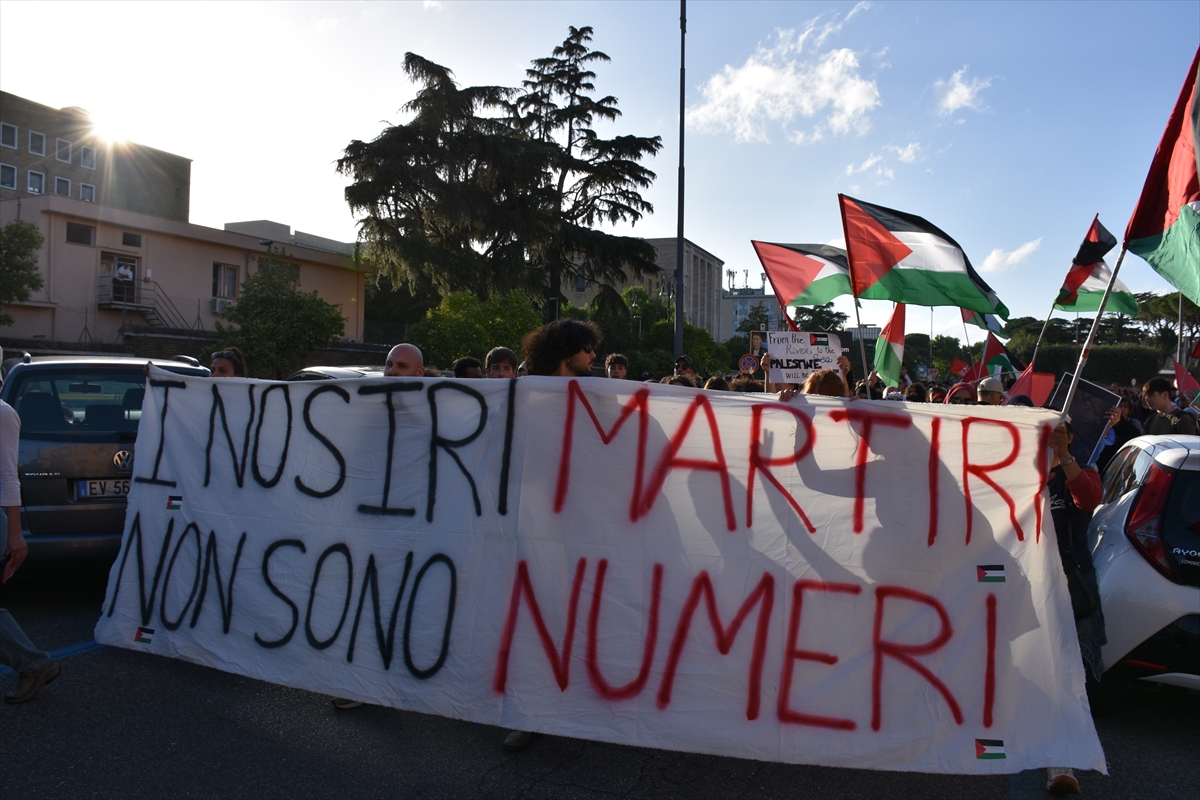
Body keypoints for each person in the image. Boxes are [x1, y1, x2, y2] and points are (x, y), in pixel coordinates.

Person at [1044, 420, 1106, 796]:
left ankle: (1060, 762)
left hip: (1067, 587)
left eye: (1060, 436)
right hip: (1023, 586)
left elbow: (1089, 499)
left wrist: (1065, 458)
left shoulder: (1079, 472)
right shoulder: (1016, 475)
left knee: (1066, 673)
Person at [1, 347, 61, 703]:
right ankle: (33, 663)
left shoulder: (3, 414)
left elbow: (8, 475)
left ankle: (33, 664)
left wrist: (14, 531)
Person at [522, 320, 600, 377]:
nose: (593, 355)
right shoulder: (524, 394)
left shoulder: (594, 395)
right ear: (567, 352)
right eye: (588, 347)